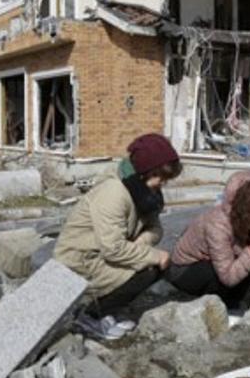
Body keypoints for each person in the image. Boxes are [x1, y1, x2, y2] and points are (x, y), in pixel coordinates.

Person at [54, 133, 182, 317]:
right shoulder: (114, 193)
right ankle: (90, 315)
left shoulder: (143, 190)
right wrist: (152, 255)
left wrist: (141, 244)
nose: (163, 184)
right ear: (146, 172)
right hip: (80, 262)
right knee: (151, 268)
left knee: (153, 263)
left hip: (103, 255)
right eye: (160, 177)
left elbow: (156, 228)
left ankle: (106, 308)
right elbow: (113, 248)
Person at [167, 171, 250, 309]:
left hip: (222, 265)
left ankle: (233, 302)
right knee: (247, 255)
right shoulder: (217, 223)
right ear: (249, 214)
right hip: (185, 269)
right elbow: (227, 277)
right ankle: (218, 306)